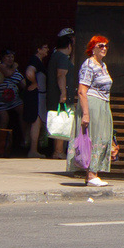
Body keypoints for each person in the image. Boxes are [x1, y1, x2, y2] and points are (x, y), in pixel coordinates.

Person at [71, 36, 115, 186]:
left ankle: (93, 172)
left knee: (102, 137)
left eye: (106, 46)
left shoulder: (102, 65)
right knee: (94, 137)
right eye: (100, 45)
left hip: (103, 104)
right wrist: (86, 113)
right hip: (93, 104)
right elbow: (82, 90)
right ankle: (91, 174)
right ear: (93, 48)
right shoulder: (88, 65)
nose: (104, 48)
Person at [47, 31, 77, 159]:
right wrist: (63, 94)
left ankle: (60, 150)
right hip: (60, 96)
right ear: (68, 46)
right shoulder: (61, 58)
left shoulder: (57, 56)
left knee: (63, 121)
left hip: (56, 95)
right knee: (62, 121)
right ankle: (58, 151)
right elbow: (61, 75)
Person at [22, 43, 51, 158]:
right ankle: (33, 150)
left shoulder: (38, 61)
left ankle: (31, 147)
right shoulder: (35, 61)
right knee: (36, 121)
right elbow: (29, 72)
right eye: (45, 47)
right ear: (38, 49)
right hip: (36, 96)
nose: (47, 50)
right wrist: (34, 83)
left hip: (37, 95)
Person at [0, 50, 23, 148]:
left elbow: (22, 82)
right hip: (0, 99)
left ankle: (25, 139)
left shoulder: (15, 70)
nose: (10, 59)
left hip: (13, 99)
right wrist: (15, 66)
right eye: (8, 57)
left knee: (22, 110)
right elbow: (8, 73)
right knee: (4, 118)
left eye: (12, 57)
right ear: (3, 58)